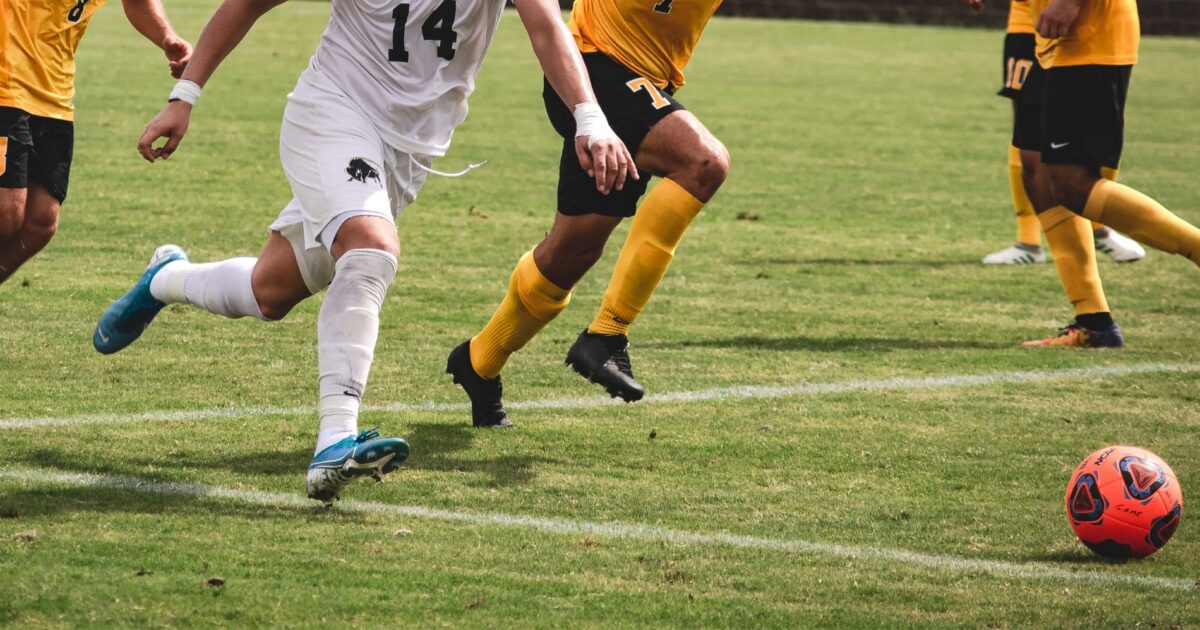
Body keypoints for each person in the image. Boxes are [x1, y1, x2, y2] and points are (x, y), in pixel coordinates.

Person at [92, 0, 634, 503]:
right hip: (332, 113)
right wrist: (183, 98)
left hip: (407, 153)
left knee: (270, 291)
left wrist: (590, 117)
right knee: (373, 250)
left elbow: (546, 27)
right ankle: (335, 442)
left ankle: (165, 277)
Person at [446, 0, 728, 428]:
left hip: (643, 84)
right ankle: (608, 334)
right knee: (704, 163)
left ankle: (479, 359)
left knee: (571, 253)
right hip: (593, 70)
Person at [968, 0, 1200, 347]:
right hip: (1050, 44)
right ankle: (1094, 324)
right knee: (1036, 168)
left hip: (1090, 37)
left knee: (1072, 182)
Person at [0, 0, 191, 286]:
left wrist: (166, 36)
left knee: (40, 221)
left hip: (54, 92)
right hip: (6, 82)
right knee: (6, 211)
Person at [980, 0, 1143, 265]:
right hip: (1026, 10)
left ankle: (1097, 225)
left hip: (1088, 15)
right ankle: (1028, 242)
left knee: (1094, 130)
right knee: (1026, 120)